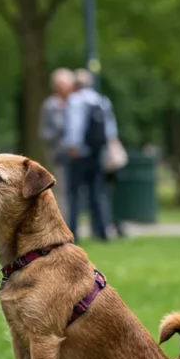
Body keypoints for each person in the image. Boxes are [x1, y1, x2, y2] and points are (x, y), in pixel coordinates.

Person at [61, 70, 111, 242]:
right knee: (97, 192)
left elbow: (74, 126)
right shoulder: (101, 101)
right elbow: (111, 129)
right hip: (97, 153)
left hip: (79, 154)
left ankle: (73, 232)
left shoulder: (75, 100)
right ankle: (101, 230)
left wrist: (73, 146)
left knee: (74, 194)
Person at [38, 68, 75, 222]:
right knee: (62, 191)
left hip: (79, 155)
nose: (63, 87)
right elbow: (43, 133)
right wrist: (60, 131)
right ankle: (64, 223)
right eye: (60, 84)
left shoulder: (77, 103)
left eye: (65, 84)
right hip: (60, 155)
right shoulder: (49, 106)